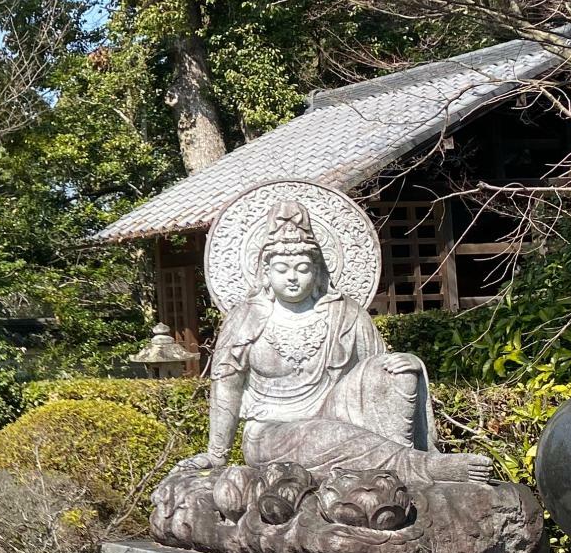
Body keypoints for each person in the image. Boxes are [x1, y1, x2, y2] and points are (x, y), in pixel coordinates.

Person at [173, 198, 493, 485]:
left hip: (336, 411)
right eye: (281, 268)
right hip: (269, 432)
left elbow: (374, 369)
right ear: (264, 272)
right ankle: (421, 469)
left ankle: (403, 465)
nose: (292, 277)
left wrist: (405, 364)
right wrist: (217, 454)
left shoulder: (345, 314)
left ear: (318, 271)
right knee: (322, 433)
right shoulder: (244, 319)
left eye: (302, 268)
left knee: (395, 372)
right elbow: (226, 387)